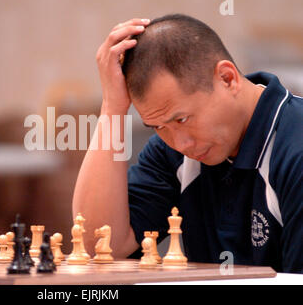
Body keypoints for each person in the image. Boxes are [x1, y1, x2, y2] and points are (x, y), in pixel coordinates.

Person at [72, 14, 302, 273]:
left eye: (182, 119)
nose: (180, 143)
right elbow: (101, 247)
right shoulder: (171, 151)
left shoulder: (295, 149)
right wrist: (112, 108)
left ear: (227, 78)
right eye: (158, 126)